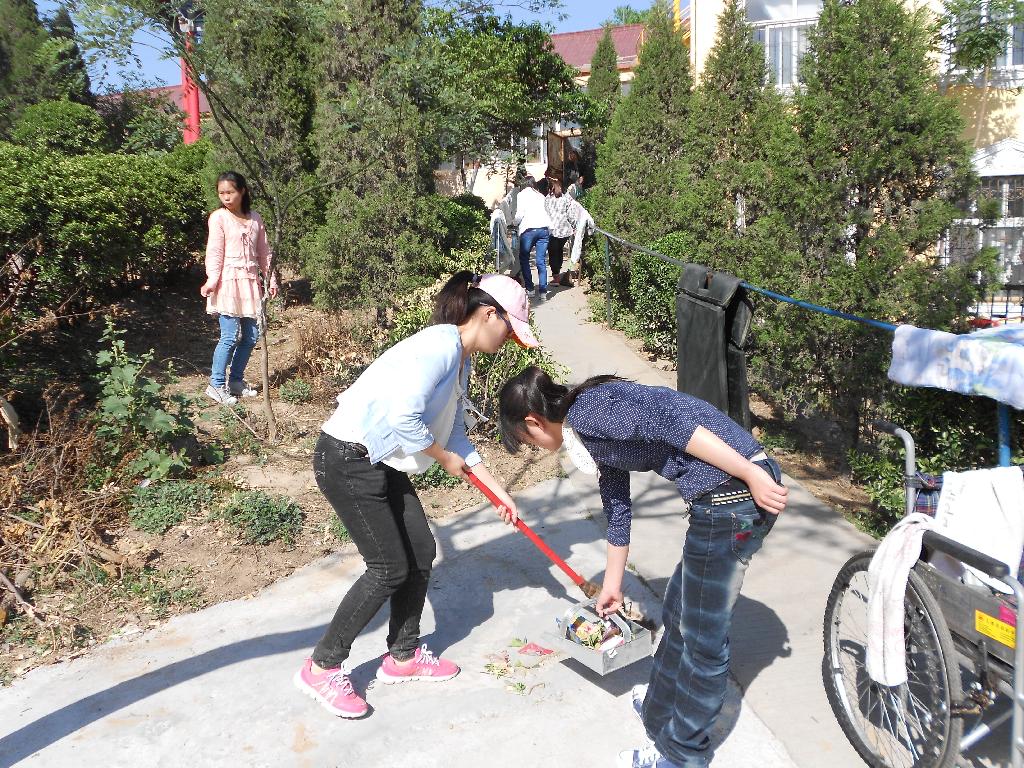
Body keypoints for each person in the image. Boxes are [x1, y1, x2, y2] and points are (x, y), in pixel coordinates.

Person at [497, 367, 788, 768]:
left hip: (732, 496)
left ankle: (682, 756)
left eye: (526, 439)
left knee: (703, 642)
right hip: (720, 496)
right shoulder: (588, 430)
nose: (532, 446)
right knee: (678, 614)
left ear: (533, 421)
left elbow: (675, 424)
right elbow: (617, 506)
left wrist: (750, 472)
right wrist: (612, 584)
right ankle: (658, 712)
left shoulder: (589, 411)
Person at [294, 271, 537, 719]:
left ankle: (403, 655)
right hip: (348, 458)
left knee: (420, 549)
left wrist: (498, 491)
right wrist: (443, 458)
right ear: (489, 314)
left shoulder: (460, 361)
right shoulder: (438, 347)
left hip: (379, 461)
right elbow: (403, 418)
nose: (509, 340)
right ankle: (322, 667)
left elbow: (456, 434)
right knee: (388, 568)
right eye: (510, 328)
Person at [200, 171, 278, 404]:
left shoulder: (255, 218)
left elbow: (264, 253)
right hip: (227, 282)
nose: (226, 197)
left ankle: (235, 381)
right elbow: (214, 252)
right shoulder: (218, 218)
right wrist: (212, 280)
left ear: (242, 191)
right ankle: (216, 385)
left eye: (230, 192)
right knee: (229, 336)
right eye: (221, 193)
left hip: (250, 283)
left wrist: (271, 279)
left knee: (251, 335)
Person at [512, 176, 552, 301]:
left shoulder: (521, 195)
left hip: (528, 230)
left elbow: (520, 214)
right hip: (544, 229)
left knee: (524, 259)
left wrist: (513, 222)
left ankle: (530, 289)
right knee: (541, 261)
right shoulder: (541, 195)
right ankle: (543, 292)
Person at [544, 179, 575, 287]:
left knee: (553, 253)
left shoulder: (548, 199)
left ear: (551, 188)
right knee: (559, 250)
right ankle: (558, 272)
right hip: (565, 230)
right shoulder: (566, 198)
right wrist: (573, 226)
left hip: (553, 230)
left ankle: (556, 276)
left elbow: (545, 213)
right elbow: (571, 214)